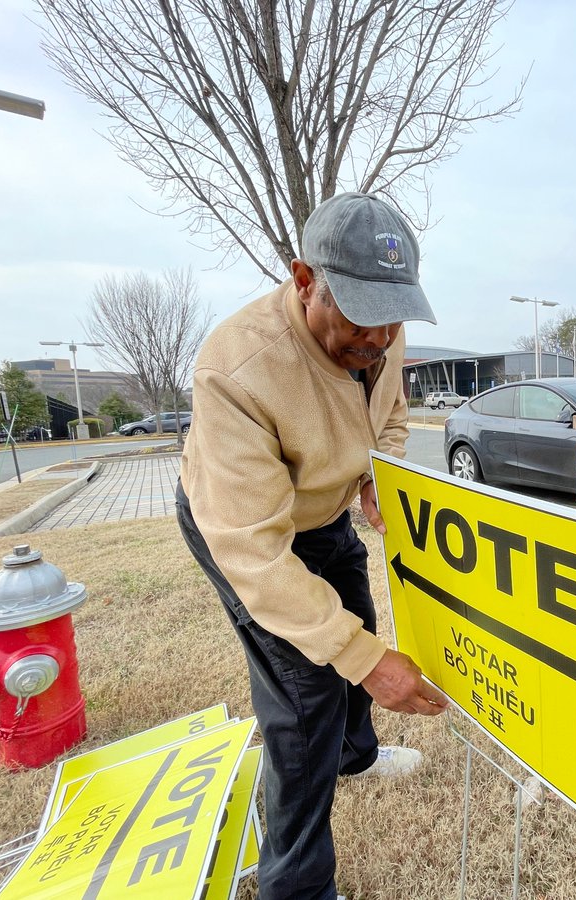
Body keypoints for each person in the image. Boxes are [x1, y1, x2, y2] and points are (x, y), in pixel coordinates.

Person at [175, 191, 450, 900]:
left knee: (356, 621)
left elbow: (390, 414)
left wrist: (377, 471)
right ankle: (294, 887)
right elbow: (258, 555)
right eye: (360, 313)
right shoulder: (236, 369)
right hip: (244, 527)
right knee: (305, 699)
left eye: (393, 317)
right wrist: (363, 664)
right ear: (304, 281)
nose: (380, 339)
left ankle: (357, 758)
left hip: (322, 508)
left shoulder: (382, 333)